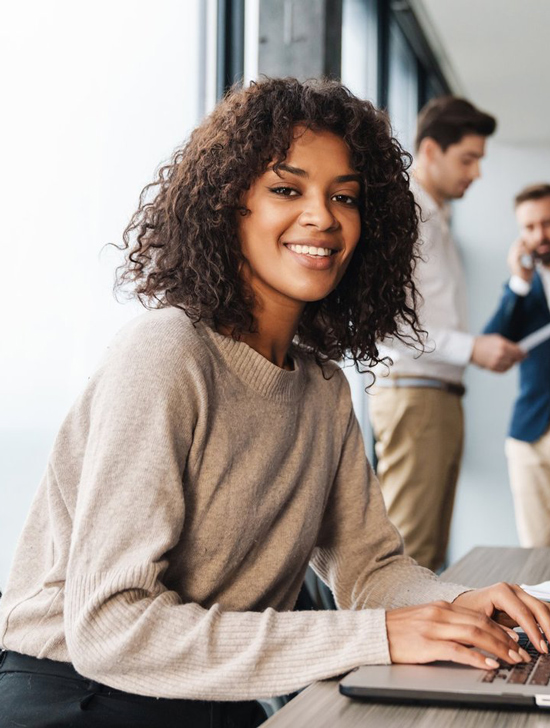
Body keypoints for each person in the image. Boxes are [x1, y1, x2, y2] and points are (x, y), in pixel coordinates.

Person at [0, 78, 547, 728]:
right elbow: (109, 626)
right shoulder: (167, 354)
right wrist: (381, 638)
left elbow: (370, 568)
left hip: (213, 692)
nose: (323, 216)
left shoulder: (322, 388)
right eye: (287, 189)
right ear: (228, 205)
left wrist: (463, 605)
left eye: (345, 197)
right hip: (79, 697)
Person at [369, 96, 525, 572]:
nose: (476, 173)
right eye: (468, 159)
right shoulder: (409, 214)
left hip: (435, 396)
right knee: (410, 556)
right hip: (417, 395)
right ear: (431, 151)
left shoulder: (435, 215)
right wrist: (472, 347)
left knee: (427, 555)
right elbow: (387, 323)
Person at [484, 183, 550, 547]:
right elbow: (491, 343)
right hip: (531, 435)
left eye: (548, 223)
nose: (540, 235)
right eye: (529, 227)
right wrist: (519, 283)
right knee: (536, 551)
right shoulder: (522, 290)